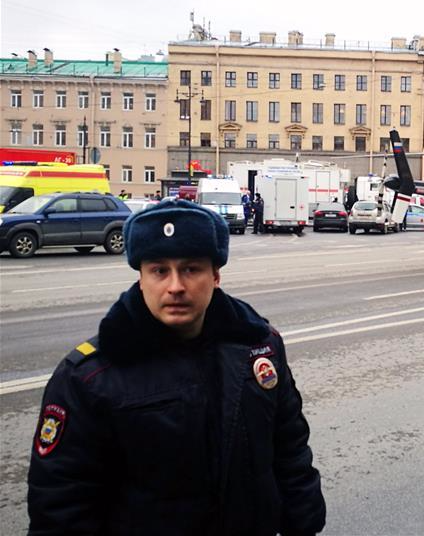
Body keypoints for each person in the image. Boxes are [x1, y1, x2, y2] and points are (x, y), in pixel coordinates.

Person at [27, 199, 326, 535]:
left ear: (215, 276)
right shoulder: (89, 377)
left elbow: (290, 450)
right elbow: (61, 505)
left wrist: (304, 522)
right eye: (159, 270)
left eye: (191, 268)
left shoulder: (259, 347)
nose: (175, 286)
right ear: (141, 278)